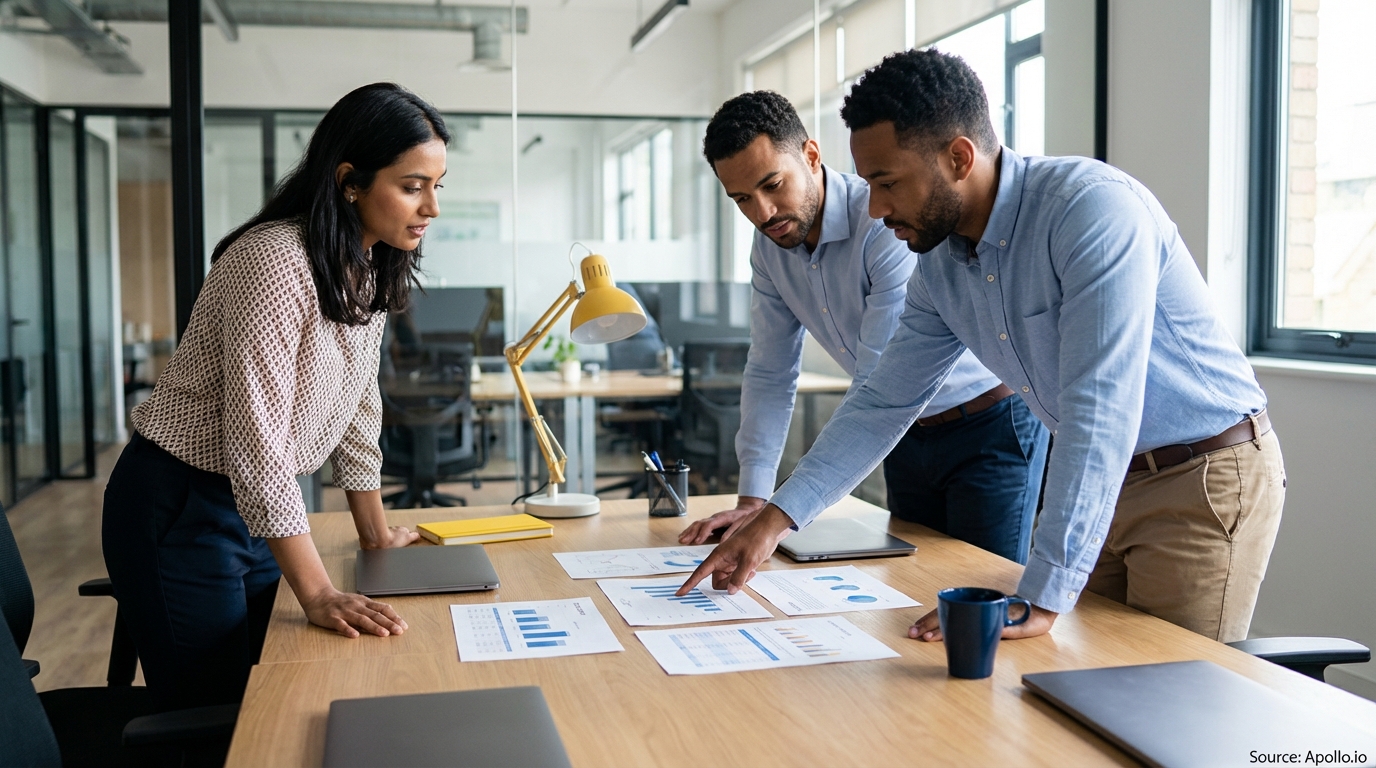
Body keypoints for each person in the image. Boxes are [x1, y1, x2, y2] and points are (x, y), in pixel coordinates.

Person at [678, 50, 1285, 645]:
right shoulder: (938, 263)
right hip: (1109, 483)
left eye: (888, 183)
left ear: (959, 157)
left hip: (1199, 478)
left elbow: (1101, 409)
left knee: (1166, 701)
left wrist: (1041, 592)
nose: (877, 207)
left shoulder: (1090, 211)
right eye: (868, 184)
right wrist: (773, 520)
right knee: (1078, 686)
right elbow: (882, 401)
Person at [102, 83, 448, 709]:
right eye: (412, 185)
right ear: (350, 180)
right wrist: (316, 593)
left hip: (255, 511)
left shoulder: (363, 265)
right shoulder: (275, 261)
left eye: (436, 186)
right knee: (224, 713)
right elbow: (257, 443)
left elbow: (358, 408)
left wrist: (374, 532)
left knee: (283, 684)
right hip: (182, 505)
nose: (431, 208)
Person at [677, 91, 1049, 564]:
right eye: (742, 199)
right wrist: (754, 499)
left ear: (811, 156)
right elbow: (770, 370)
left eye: (773, 185)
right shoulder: (769, 247)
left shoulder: (885, 224)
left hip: (987, 425)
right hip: (900, 431)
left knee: (981, 592)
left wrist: (782, 515)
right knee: (913, 585)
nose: (763, 212)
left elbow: (880, 380)